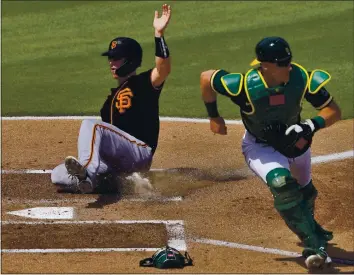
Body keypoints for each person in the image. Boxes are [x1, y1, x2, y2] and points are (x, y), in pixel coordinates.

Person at [199, 36, 341, 269]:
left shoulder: (300, 78)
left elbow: (333, 111)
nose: (289, 66)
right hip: (260, 146)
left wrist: (310, 125)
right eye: (282, 63)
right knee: (282, 184)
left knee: (305, 194)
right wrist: (214, 116)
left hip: (295, 143)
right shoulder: (243, 86)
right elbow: (206, 78)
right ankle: (314, 245)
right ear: (265, 66)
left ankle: (309, 227)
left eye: (289, 60)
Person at [51, 4, 172, 194]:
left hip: (139, 152)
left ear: (130, 60)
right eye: (110, 58)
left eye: (116, 58)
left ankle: (87, 173)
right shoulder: (109, 103)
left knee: (92, 125)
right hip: (119, 163)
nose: (111, 62)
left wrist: (159, 34)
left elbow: (163, 68)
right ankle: (109, 182)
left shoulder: (143, 83)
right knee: (57, 174)